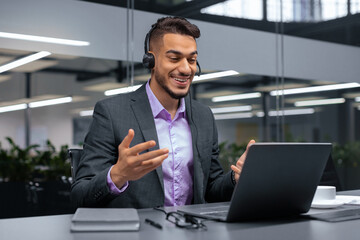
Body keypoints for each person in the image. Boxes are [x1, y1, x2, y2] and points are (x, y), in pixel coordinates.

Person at [71, 16, 254, 209]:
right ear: (151, 60)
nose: (185, 69)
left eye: (192, 60)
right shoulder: (111, 113)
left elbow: (210, 190)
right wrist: (117, 175)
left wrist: (235, 178)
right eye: (174, 58)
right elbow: (79, 195)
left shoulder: (203, 116)